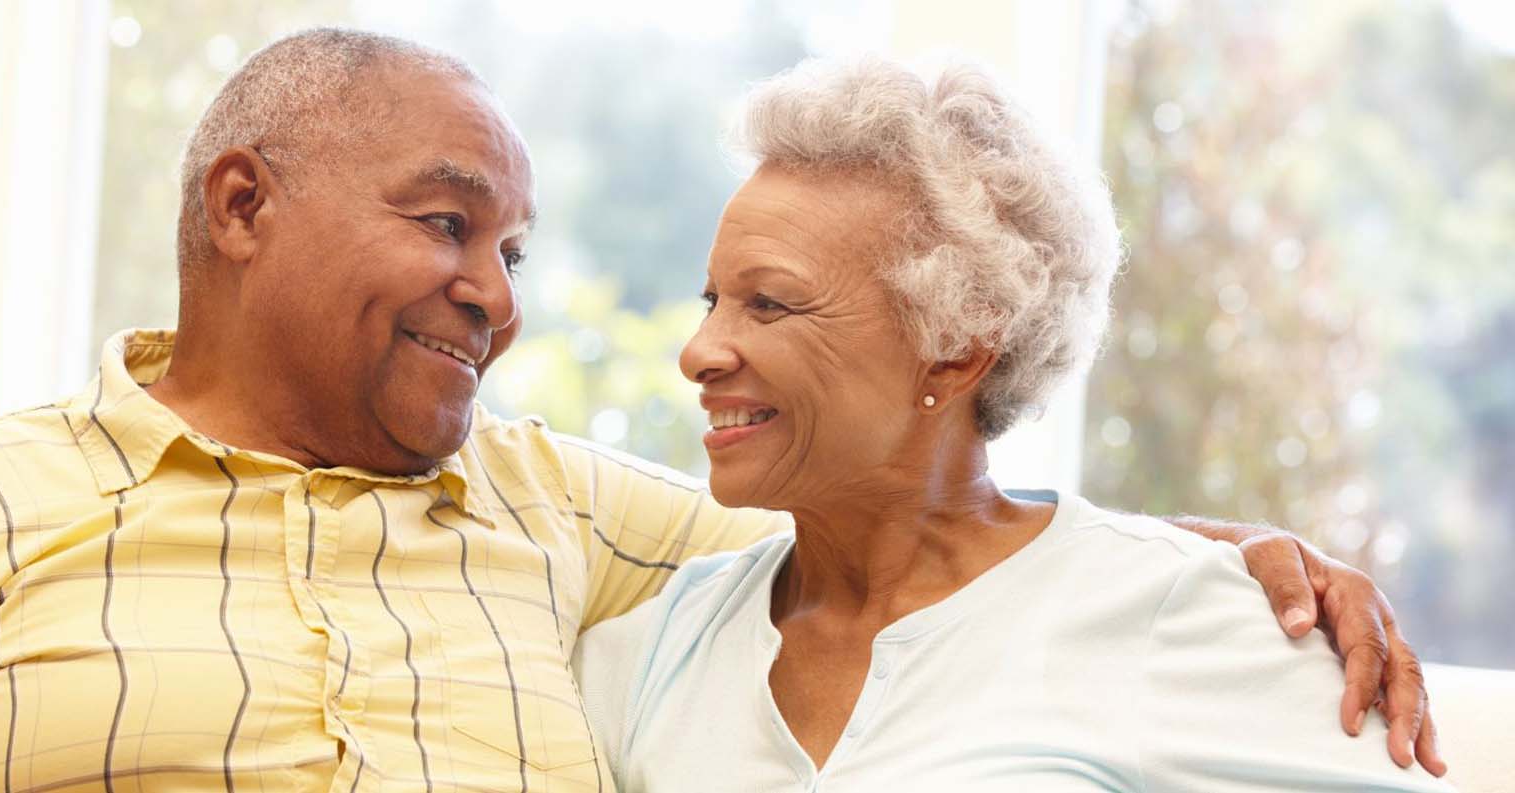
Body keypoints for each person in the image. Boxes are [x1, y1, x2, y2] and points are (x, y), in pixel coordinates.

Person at [0, 29, 1439, 793]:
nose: (501, 290)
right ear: (240, 208)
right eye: (449, 221)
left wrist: (1232, 565)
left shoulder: (564, 516)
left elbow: (928, 546)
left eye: (516, 246)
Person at [572, 56, 1451, 791]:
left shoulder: (1181, 613)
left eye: (769, 303)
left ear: (955, 349)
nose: (699, 351)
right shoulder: (652, 649)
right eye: (712, 299)